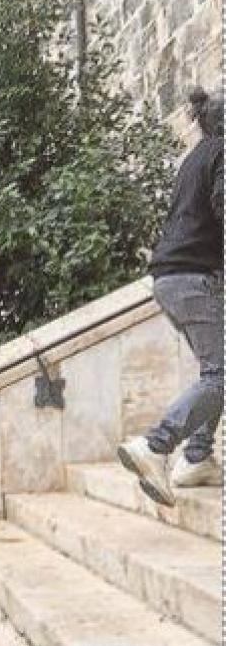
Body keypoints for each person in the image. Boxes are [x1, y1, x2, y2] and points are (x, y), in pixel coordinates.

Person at [118, 85, 224, 506]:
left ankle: (197, 458)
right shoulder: (222, 153)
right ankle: (157, 445)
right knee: (221, 375)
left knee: (213, 370)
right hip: (193, 277)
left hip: (171, 277)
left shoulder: (196, 157)